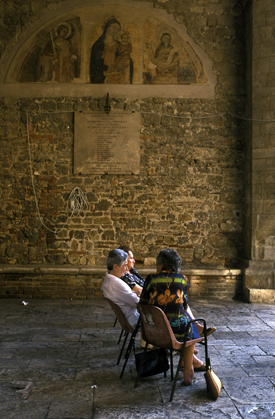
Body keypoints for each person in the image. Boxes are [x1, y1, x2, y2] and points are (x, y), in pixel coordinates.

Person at [140, 248, 210, 385]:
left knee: (189, 326)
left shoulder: (151, 279)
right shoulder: (183, 280)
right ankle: (188, 368)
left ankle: (196, 331)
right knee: (190, 329)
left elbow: (143, 303)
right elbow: (184, 305)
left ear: (160, 264)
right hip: (177, 329)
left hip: (154, 331)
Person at [101, 248, 139, 327]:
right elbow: (137, 303)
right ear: (115, 267)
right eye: (125, 265)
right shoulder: (117, 284)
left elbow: (123, 295)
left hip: (129, 318)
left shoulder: (108, 279)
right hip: (135, 320)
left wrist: (134, 293)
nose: (126, 269)